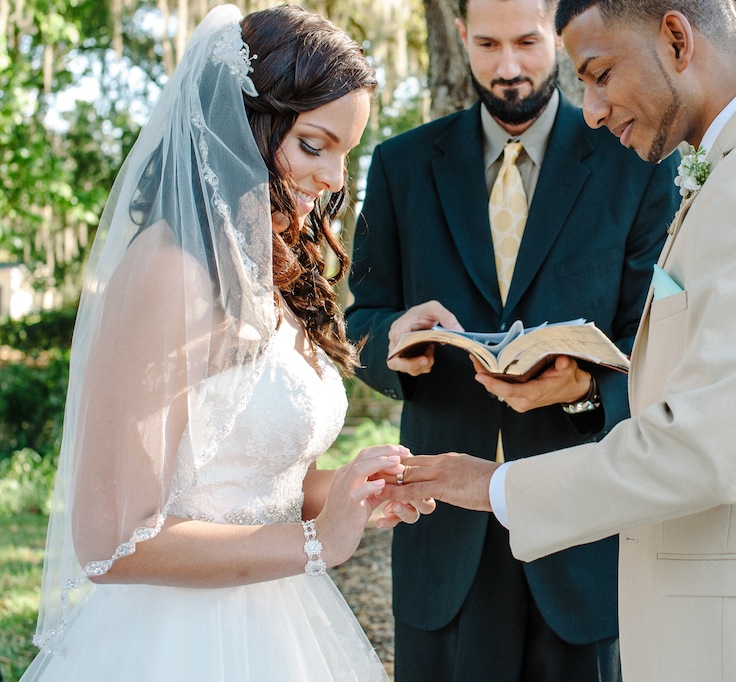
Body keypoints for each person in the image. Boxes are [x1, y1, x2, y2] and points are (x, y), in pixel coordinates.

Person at [382, 0, 736, 680]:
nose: (591, 109)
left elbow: (702, 451)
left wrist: (500, 487)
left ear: (677, 38)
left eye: (599, 74)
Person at [22, 5, 433, 680]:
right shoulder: (168, 271)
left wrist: (347, 492)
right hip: (177, 642)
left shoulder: (263, 267)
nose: (335, 180)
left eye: (345, 154)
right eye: (314, 145)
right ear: (245, 125)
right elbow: (112, 542)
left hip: (283, 625)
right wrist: (312, 543)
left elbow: (245, 486)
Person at [344, 0, 679, 678]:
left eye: (527, 43)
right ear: (461, 37)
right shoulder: (401, 167)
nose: (508, 68)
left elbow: (657, 344)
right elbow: (362, 320)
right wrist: (390, 341)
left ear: (557, 39)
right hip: (441, 534)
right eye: (488, 45)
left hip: (580, 530)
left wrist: (588, 386)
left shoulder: (636, 161)